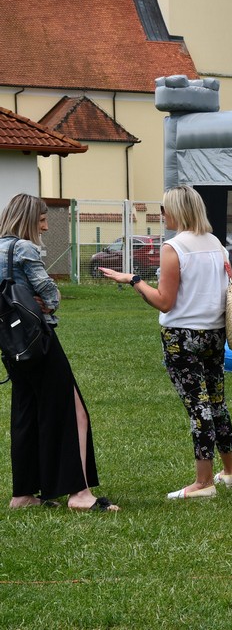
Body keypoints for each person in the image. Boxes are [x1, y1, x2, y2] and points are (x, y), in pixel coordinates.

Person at [101, 186, 232, 499]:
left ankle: (203, 483)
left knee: (197, 407)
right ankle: (229, 471)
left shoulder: (174, 247)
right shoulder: (216, 244)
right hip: (215, 332)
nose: (162, 216)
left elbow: (164, 301)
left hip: (182, 336)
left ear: (176, 211)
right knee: (216, 401)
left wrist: (133, 280)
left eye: (164, 210)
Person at [2, 194, 118, 512]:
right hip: (39, 340)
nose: (45, 225)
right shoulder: (25, 248)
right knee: (73, 410)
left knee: (26, 413)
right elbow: (50, 293)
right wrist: (50, 301)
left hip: (12, 345)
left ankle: (23, 495)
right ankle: (79, 494)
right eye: (41, 218)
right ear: (27, 218)